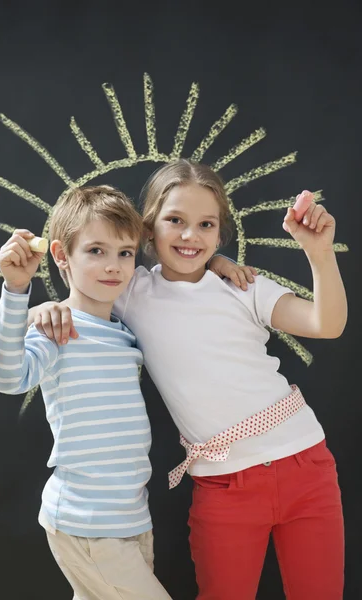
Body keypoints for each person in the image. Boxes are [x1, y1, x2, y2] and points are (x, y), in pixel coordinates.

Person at [30, 160, 347, 600]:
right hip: (223, 486)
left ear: (220, 233)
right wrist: (39, 310)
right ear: (148, 230)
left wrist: (319, 253)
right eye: (174, 221)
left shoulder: (245, 287)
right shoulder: (132, 290)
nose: (189, 235)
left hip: (306, 467)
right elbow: (83, 292)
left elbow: (325, 323)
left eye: (205, 225)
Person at [0, 185, 174, 600]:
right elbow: (6, 378)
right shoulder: (58, 328)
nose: (114, 266)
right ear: (60, 255)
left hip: (130, 518)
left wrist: (218, 262)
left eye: (125, 252)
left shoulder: (125, 332)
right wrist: (18, 293)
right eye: (96, 251)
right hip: (88, 522)